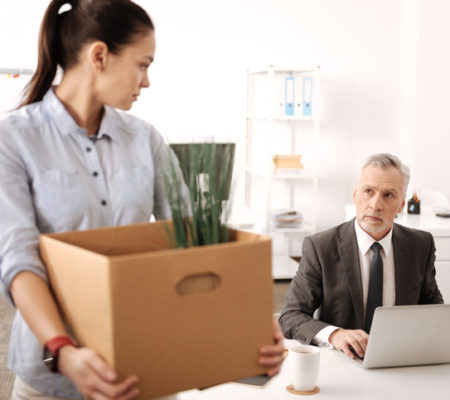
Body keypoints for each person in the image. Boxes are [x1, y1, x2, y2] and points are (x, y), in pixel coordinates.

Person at [0, 1, 285, 399]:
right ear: (99, 56)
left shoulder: (144, 138)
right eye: (142, 64)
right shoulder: (13, 138)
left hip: (143, 362)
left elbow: (193, 238)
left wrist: (248, 321)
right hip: (51, 371)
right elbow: (17, 260)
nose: (146, 81)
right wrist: (63, 350)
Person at [279, 153, 443, 360]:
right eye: (368, 191)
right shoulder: (321, 247)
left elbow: (433, 310)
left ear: (402, 204)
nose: (375, 205)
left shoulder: (421, 245)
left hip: (401, 361)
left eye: (388, 195)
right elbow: (290, 317)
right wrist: (335, 335)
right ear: (355, 193)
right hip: (342, 361)